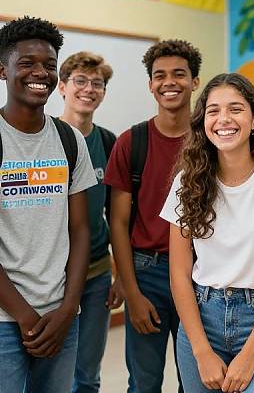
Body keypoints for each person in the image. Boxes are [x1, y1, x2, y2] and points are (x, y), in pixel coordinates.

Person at [161, 72, 254, 392]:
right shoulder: (187, 183)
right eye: (213, 111)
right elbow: (178, 273)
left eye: (235, 109)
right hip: (201, 319)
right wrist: (201, 351)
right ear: (203, 122)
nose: (223, 119)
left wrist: (250, 353)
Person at [0, 16, 97, 392]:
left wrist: (68, 308)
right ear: (3, 70)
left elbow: (80, 229)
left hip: (61, 316)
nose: (40, 72)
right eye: (27, 63)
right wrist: (25, 316)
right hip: (6, 319)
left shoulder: (69, 139)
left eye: (49, 65)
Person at [104, 39, 201, 393]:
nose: (169, 82)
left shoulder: (210, 141)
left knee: (197, 379)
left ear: (195, 82)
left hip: (201, 274)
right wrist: (132, 291)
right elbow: (117, 222)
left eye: (179, 74)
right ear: (150, 85)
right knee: (144, 383)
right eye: (159, 75)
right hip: (148, 275)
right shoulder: (132, 142)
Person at [58, 51, 124, 392]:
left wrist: (122, 275)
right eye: (80, 81)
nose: (88, 89)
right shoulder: (46, 138)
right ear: (62, 88)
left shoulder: (109, 142)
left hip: (97, 274)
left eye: (96, 83)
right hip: (50, 280)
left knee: (86, 374)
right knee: (49, 370)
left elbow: (117, 215)